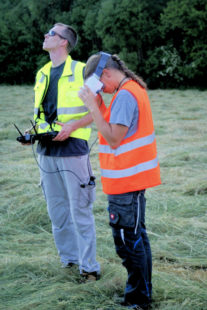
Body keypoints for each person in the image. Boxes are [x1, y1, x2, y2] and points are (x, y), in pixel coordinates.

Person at [78, 52, 161, 309]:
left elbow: (114, 137)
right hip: (130, 181)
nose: (102, 90)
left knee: (129, 245)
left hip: (127, 183)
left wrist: (93, 106)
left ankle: (138, 300)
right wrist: (100, 104)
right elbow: (117, 129)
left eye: (100, 85)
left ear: (105, 73)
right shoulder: (129, 90)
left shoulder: (125, 95)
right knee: (137, 239)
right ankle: (141, 294)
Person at [31, 23, 100, 281]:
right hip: (45, 152)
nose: (45, 35)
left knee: (80, 210)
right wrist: (33, 134)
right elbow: (42, 113)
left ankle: (89, 268)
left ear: (63, 42)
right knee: (57, 212)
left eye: (51, 33)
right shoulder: (42, 73)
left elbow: (99, 109)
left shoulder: (84, 71)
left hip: (73, 151)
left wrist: (73, 126)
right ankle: (69, 261)